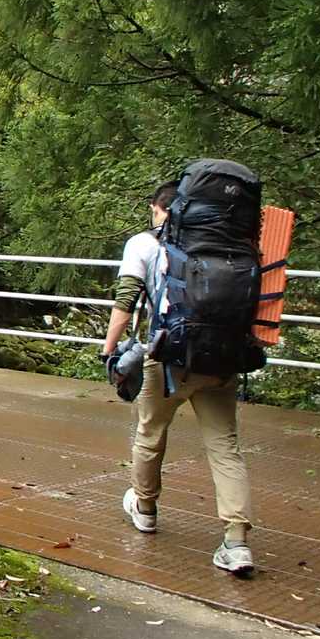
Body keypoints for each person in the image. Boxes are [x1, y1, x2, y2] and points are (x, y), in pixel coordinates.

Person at [100, 181, 255, 576]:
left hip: (169, 359)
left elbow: (126, 299)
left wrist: (108, 349)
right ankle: (236, 542)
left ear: (156, 208)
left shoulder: (143, 243)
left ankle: (145, 508)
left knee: (150, 433)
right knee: (225, 447)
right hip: (222, 359)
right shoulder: (234, 244)